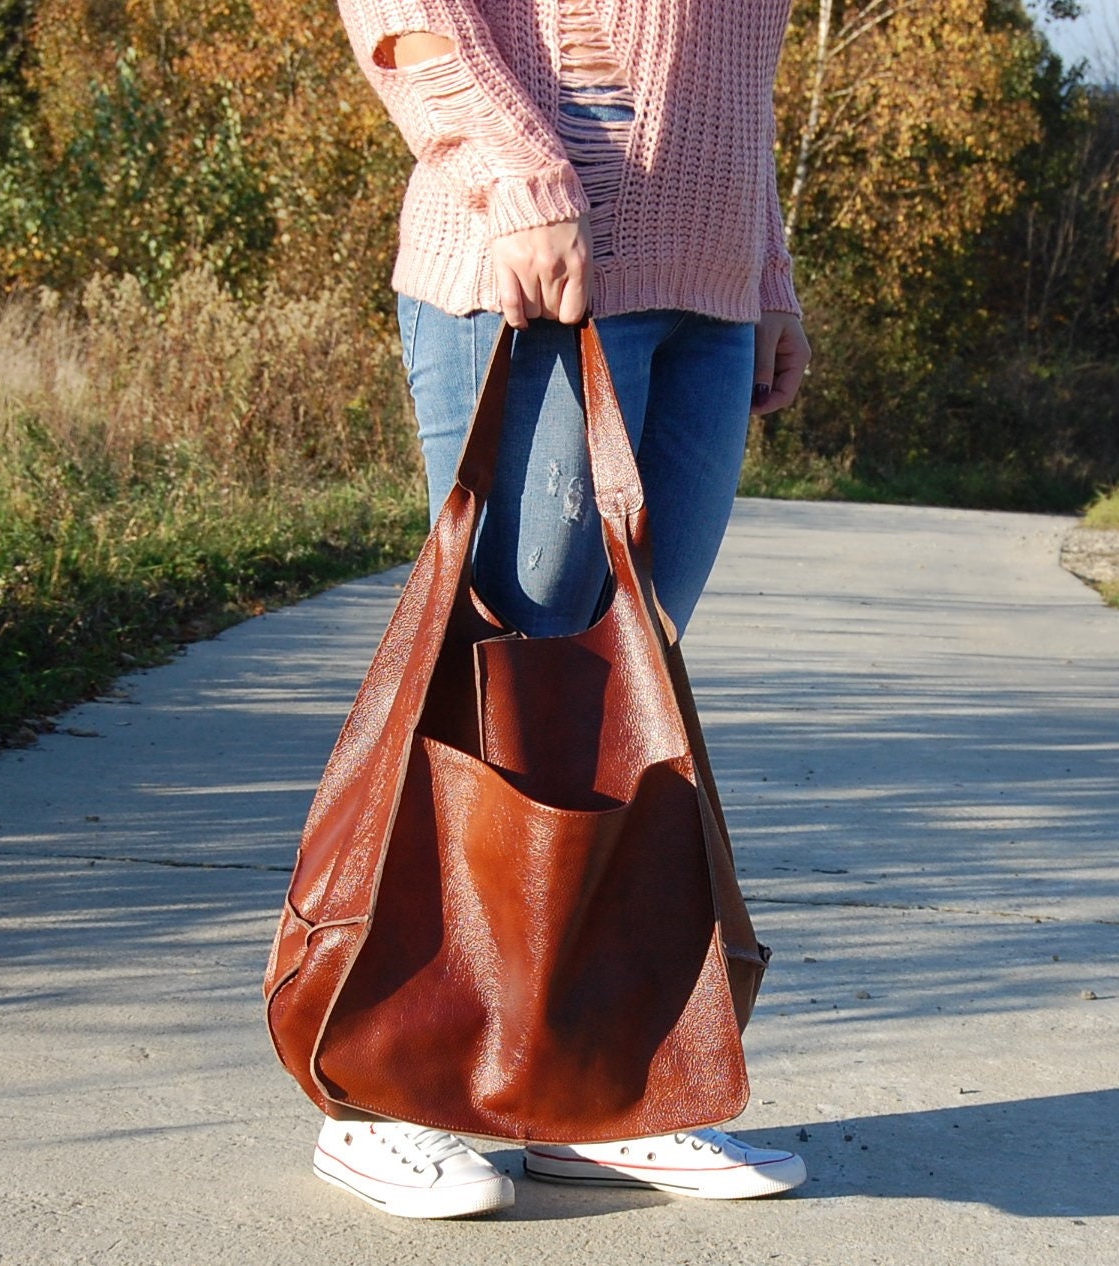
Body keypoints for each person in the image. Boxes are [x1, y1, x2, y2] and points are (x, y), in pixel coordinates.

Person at [312, 0, 813, 1219]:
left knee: (617, 697)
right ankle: (387, 1093)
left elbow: (724, 69)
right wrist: (525, 176)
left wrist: (768, 269)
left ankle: (581, 1094)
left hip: (707, 287)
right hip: (538, 249)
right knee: (503, 682)